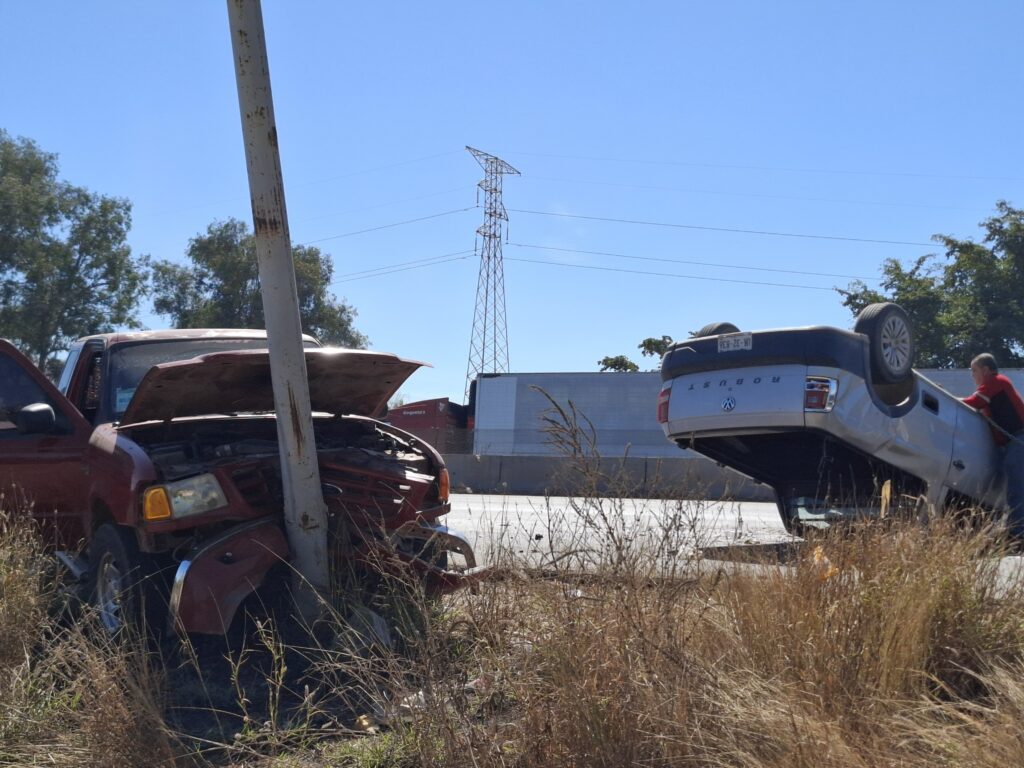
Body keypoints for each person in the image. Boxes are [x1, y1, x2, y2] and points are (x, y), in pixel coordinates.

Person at [962, 353, 1024, 541]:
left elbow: (974, 402)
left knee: (1016, 485)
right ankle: (1011, 528)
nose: (972, 375)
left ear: (986, 370)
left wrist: (948, 398)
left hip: (1018, 439)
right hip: (1011, 441)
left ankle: (1018, 533)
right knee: (1008, 484)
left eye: (974, 371)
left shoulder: (996, 382)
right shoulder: (996, 388)